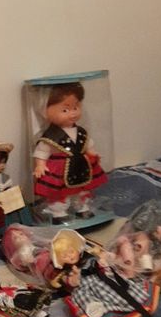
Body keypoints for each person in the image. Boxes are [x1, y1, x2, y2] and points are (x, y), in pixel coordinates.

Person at [50, 229, 160, 317]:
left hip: (100, 278)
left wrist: (104, 259)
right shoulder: (66, 271)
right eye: (64, 256)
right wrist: (74, 279)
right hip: (85, 287)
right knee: (82, 297)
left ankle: (135, 308)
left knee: (116, 288)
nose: (70, 256)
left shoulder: (87, 257)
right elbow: (69, 283)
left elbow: (104, 257)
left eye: (71, 252)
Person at [33, 82, 107, 222]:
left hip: (80, 165)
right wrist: (40, 165)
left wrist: (93, 154)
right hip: (60, 169)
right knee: (61, 193)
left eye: (76, 108)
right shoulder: (51, 136)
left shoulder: (81, 131)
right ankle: (59, 212)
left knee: (82, 189)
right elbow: (42, 151)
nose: (72, 113)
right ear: (45, 111)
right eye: (65, 110)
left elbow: (88, 144)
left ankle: (81, 207)